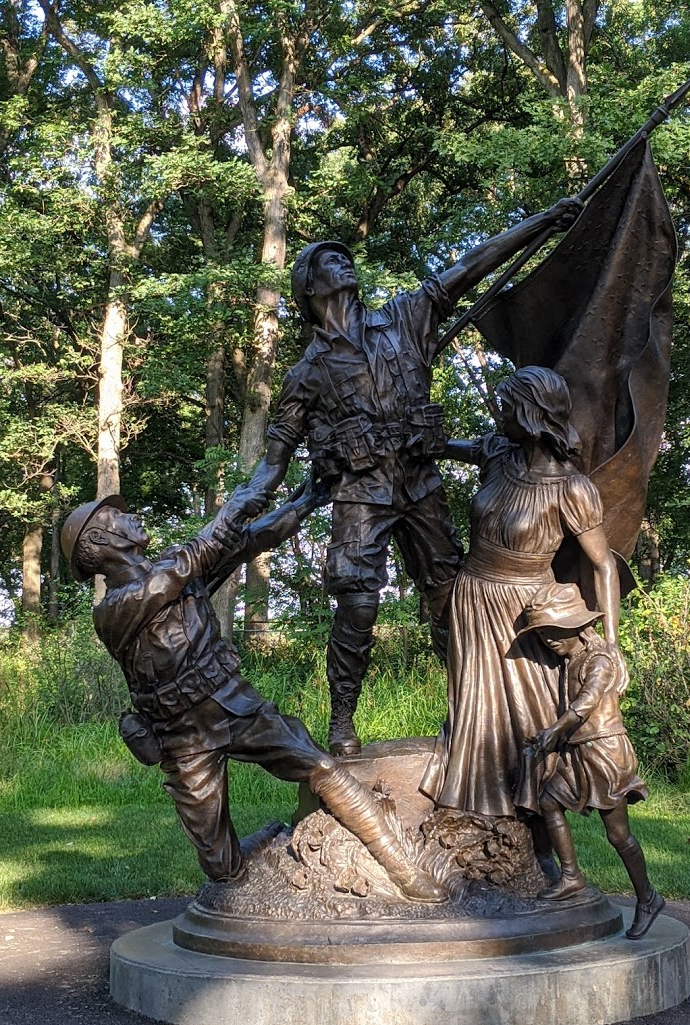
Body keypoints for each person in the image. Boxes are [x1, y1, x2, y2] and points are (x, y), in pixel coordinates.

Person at [248, 199, 583, 757]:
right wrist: (246, 510)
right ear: (309, 287)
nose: (343, 262)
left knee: (452, 603)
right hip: (361, 496)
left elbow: (470, 266)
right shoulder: (305, 373)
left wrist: (543, 221)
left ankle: (472, 712)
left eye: (345, 256)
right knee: (357, 605)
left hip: (421, 485)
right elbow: (273, 459)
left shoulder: (405, 318)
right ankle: (342, 719)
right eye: (329, 260)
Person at [60, 484, 445, 902]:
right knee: (221, 868)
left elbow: (250, 540)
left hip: (234, 704)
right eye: (118, 517)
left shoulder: (175, 571)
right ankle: (271, 837)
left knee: (322, 765)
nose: (132, 517)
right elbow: (197, 554)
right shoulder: (114, 608)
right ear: (99, 539)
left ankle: (403, 869)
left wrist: (306, 500)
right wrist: (245, 498)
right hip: (181, 736)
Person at [420, 366, 626, 824]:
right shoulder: (497, 455)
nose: (499, 413)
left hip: (528, 612)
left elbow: (603, 565)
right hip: (473, 599)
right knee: (475, 709)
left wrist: (610, 644)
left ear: (532, 414)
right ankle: (475, 811)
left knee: (530, 712)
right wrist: (421, 432)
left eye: (507, 406)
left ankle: (535, 826)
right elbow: (439, 448)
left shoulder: (572, 489)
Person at [518, 580, 664, 940]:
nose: (549, 640)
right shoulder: (569, 661)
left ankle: (648, 898)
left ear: (576, 626)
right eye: (543, 634)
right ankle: (571, 876)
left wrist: (556, 729)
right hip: (578, 753)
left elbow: (587, 701)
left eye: (554, 631)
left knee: (618, 834)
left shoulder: (599, 659)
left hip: (606, 753)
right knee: (548, 801)